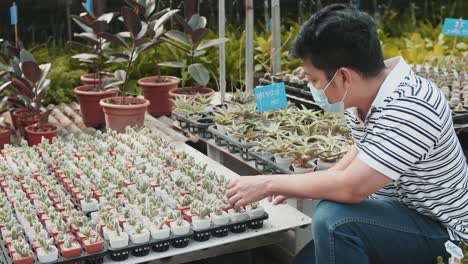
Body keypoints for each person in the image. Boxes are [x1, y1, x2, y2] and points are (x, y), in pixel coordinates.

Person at [226, 4, 468, 264]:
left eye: (314, 80)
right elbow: (347, 168)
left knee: (334, 220)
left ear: (344, 76)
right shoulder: (365, 97)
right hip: (397, 215)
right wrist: (298, 186)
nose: (312, 88)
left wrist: (268, 184)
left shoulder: (411, 107)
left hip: (442, 231)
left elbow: (351, 188)